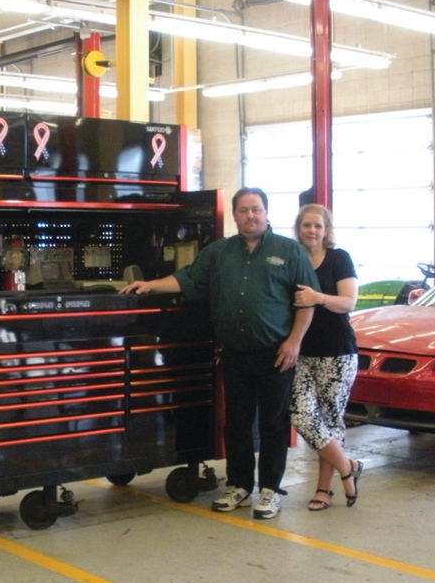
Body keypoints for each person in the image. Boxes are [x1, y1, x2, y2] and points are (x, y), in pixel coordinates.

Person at [120, 187, 318, 519]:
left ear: (266, 213)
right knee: (236, 425)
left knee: (272, 425)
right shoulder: (219, 252)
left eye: (256, 209)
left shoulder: (289, 251)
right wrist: (150, 285)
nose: (250, 216)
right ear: (235, 214)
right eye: (243, 210)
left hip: (277, 354)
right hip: (235, 354)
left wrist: (294, 341)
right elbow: (188, 279)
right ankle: (239, 486)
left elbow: (306, 302)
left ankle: (269, 490)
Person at [290, 204, 363, 510]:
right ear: (298, 228)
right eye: (307, 225)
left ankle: (324, 489)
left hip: (337, 353)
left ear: (326, 230)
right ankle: (348, 467)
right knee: (301, 415)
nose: (312, 231)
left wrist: (318, 297)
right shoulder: (293, 260)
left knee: (330, 421)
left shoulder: (338, 258)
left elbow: (349, 302)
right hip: (303, 353)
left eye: (318, 226)